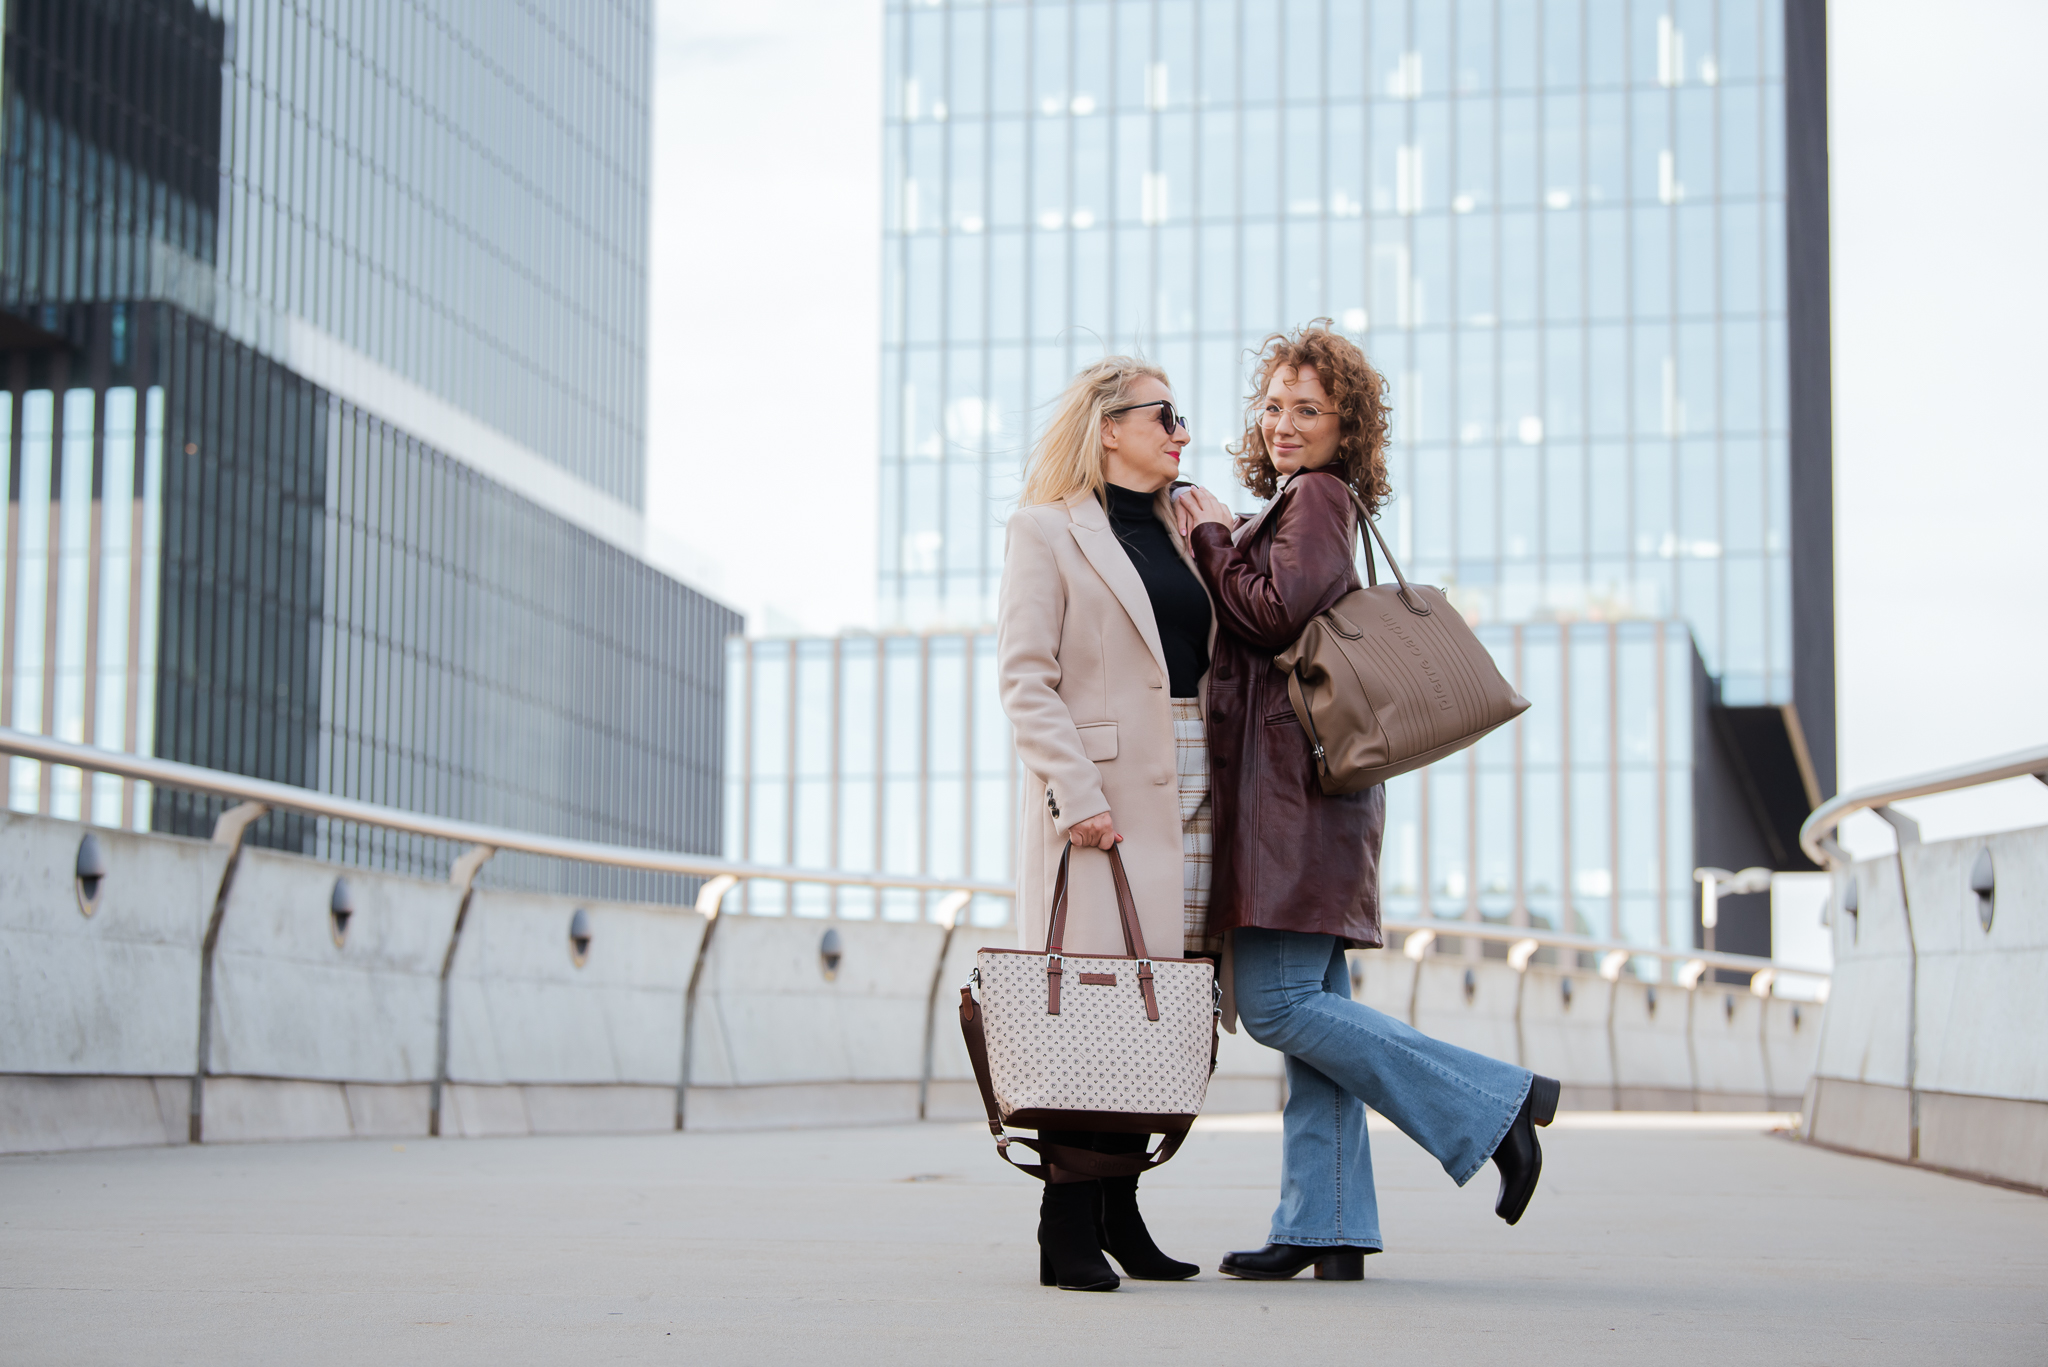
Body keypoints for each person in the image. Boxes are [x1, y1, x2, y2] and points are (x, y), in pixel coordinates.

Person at [1174, 322, 1559, 1281]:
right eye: (1273, 407)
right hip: (1305, 804)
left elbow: (1272, 612)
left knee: (1278, 1005)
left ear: (1348, 430)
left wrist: (1211, 532)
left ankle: (1494, 1104)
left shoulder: (1317, 497)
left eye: (1309, 410)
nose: (1284, 426)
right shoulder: (1300, 502)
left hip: (1290, 809)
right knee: (1320, 1021)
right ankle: (1325, 1222)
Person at [996, 357, 1217, 1292]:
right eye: (1165, 414)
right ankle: (1063, 1226)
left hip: (1195, 787)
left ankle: (1121, 1211)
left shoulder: (1198, 528)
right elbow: (1025, 675)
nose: (1181, 431)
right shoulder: (1045, 530)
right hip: (1101, 799)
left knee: (1151, 1010)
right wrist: (1076, 792)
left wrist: (1222, 545)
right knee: (1088, 1005)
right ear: (1109, 425)